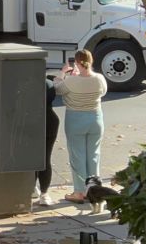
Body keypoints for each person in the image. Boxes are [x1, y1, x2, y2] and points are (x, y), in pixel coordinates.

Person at [55, 49, 108, 204]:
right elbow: (103, 92)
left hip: (75, 118)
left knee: (77, 156)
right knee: (94, 155)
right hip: (95, 118)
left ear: (77, 63)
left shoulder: (71, 81)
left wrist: (63, 73)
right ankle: (94, 189)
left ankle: (79, 192)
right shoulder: (99, 78)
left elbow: (58, 89)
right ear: (91, 61)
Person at [36, 79, 60, 206]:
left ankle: (31, 189)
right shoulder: (48, 83)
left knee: (30, 157)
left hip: (30, 120)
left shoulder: (23, 82)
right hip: (50, 120)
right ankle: (44, 193)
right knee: (46, 158)